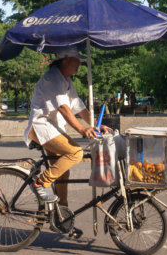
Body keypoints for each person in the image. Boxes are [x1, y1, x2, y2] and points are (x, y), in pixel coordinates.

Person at [25, 46, 109, 210]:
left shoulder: (66, 81)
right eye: (76, 59)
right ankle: (40, 182)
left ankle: (61, 212)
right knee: (75, 153)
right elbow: (64, 108)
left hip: (53, 128)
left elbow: (79, 107)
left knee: (63, 173)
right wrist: (83, 130)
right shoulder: (53, 79)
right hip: (41, 127)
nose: (79, 63)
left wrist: (95, 125)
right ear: (65, 60)